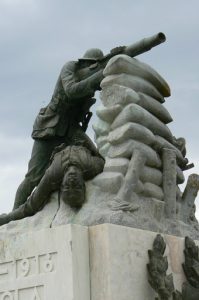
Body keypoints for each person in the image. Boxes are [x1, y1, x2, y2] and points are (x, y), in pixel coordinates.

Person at [13, 48, 105, 210]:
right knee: (34, 177)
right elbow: (71, 91)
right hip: (50, 126)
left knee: (98, 157)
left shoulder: (91, 84)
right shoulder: (70, 67)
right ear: (85, 64)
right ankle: (15, 215)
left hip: (71, 130)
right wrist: (100, 74)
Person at [0, 130, 105, 225]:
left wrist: (8, 218)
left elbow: (32, 204)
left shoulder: (53, 176)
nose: (72, 181)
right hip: (74, 134)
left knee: (31, 178)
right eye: (76, 186)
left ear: (61, 185)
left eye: (68, 186)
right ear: (83, 185)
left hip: (51, 143)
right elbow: (101, 156)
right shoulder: (93, 167)